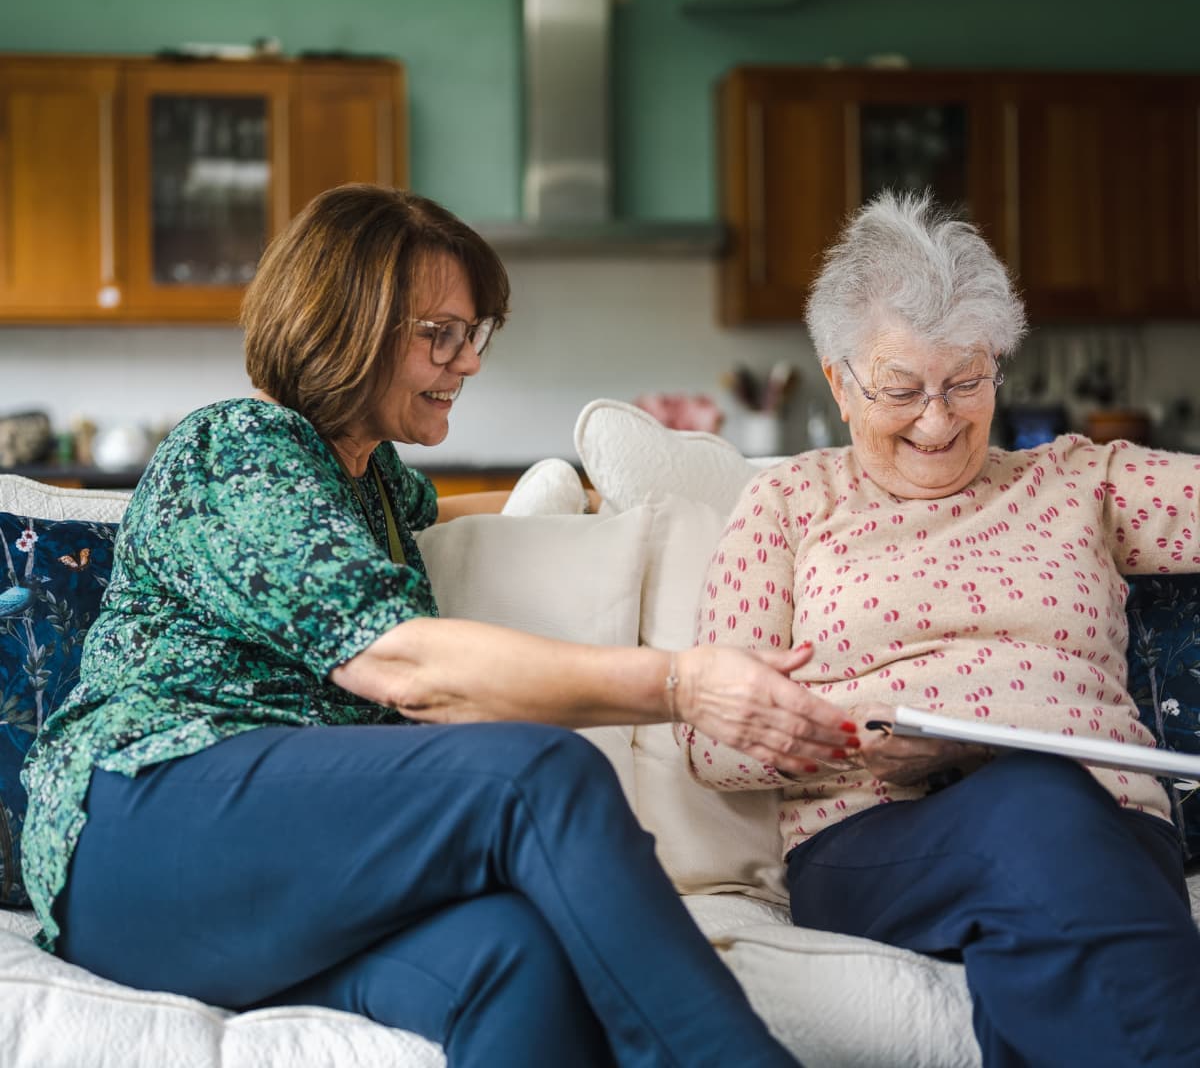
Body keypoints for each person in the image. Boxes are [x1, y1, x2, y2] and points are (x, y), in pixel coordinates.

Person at [20, 184, 861, 1068]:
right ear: (347, 322)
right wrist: (683, 683)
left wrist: (602, 497)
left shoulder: (371, 481)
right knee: (535, 773)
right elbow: (403, 664)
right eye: (441, 335)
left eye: (475, 335)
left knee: (512, 958)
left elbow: (459, 513)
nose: (468, 362)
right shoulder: (239, 449)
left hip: (262, 875)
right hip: (140, 829)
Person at [680, 190, 1200, 1067]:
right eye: (902, 389)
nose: (938, 418)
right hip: (878, 836)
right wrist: (853, 735)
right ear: (839, 383)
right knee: (1036, 806)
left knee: (1045, 889)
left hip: (1110, 821)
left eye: (966, 382)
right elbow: (713, 740)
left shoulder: (1078, 482)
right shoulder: (793, 503)